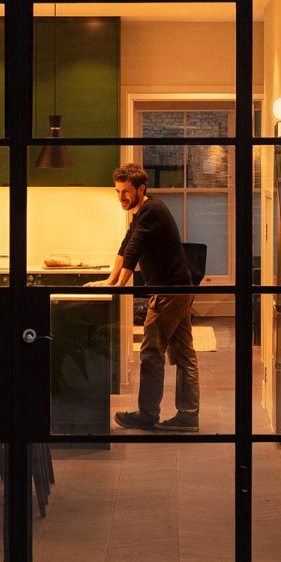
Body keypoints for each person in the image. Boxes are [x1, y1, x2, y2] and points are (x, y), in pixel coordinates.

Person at [104, 163, 200, 432]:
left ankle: (147, 415)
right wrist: (110, 280)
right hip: (179, 289)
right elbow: (127, 244)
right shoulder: (145, 210)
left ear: (141, 189)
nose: (121, 197)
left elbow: (134, 249)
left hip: (169, 292)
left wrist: (117, 286)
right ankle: (188, 416)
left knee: (150, 352)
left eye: (126, 192)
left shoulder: (151, 210)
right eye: (117, 192)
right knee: (183, 354)